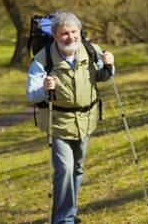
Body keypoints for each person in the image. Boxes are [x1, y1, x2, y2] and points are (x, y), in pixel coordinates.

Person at [26, 12, 114, 224]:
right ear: (55, 35)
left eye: (74, 32)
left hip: (86, 120)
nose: (70, 37)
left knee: (77, 168)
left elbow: (103, 75)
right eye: (64, 33)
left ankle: (70, 213)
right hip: (58, 122)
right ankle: (63, 219)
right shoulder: (44, 58)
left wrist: (110, 64)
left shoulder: (92, 51)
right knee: (64, 169)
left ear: (80, 32)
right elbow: (31, 93)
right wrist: (44, 89)